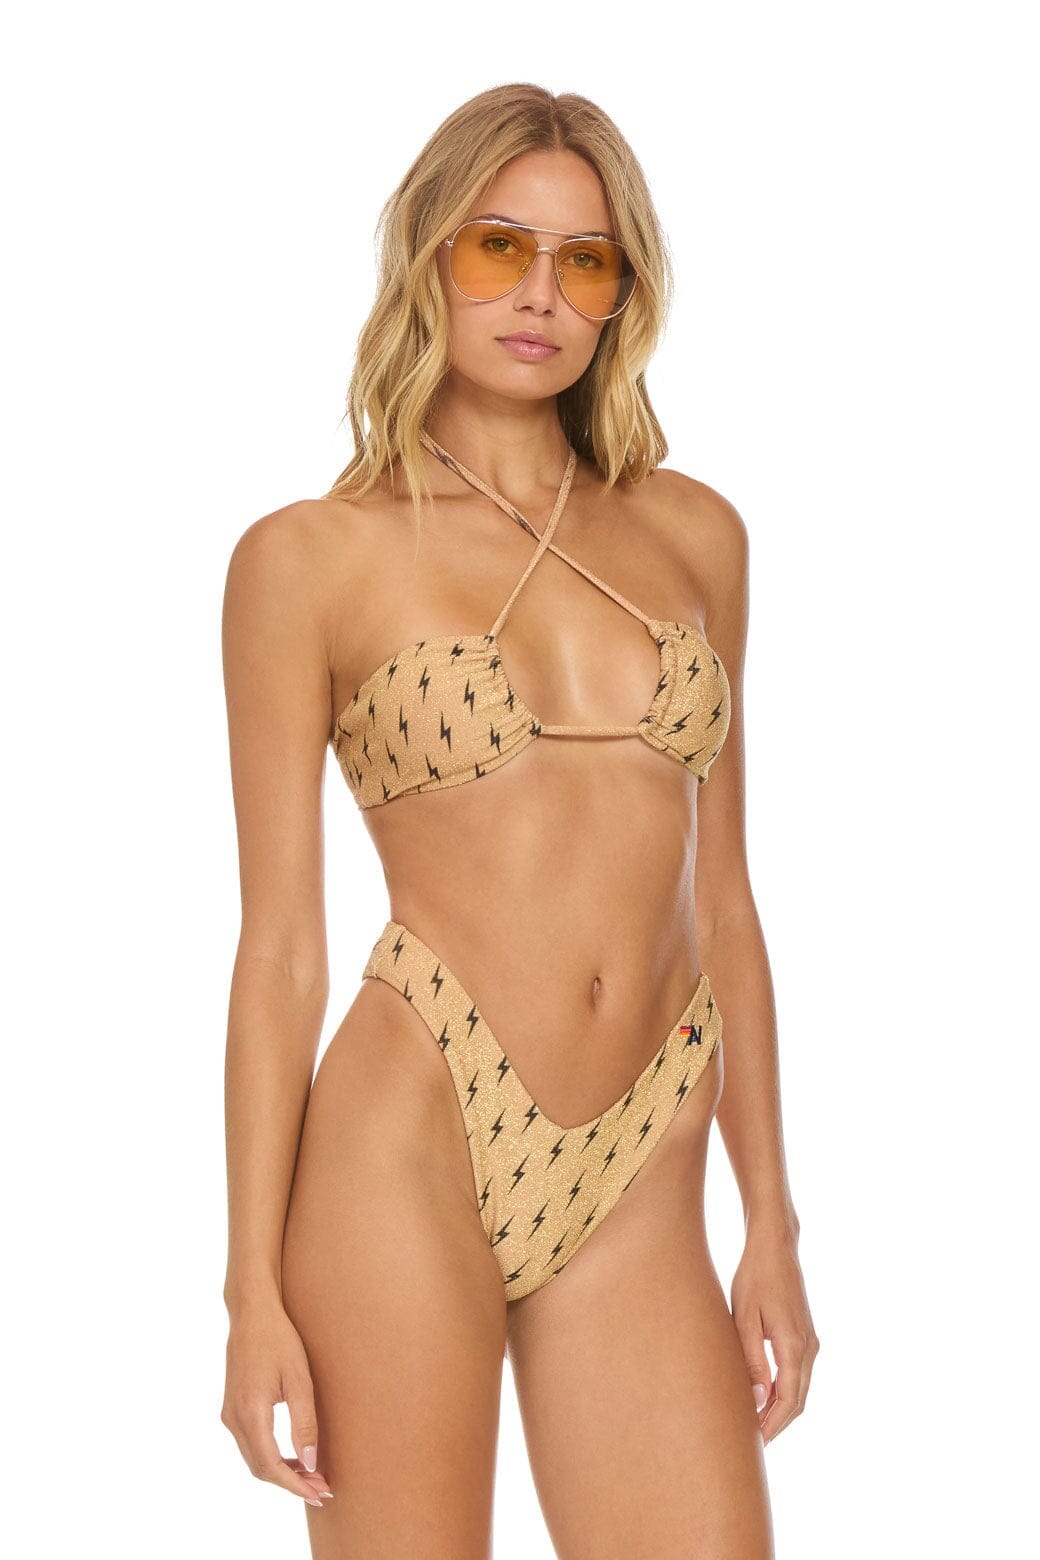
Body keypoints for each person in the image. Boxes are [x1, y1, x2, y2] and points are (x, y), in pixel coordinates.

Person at [220, 82, 818, 1560]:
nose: (540, 295)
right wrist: (250, 1294)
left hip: (647, 1152)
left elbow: (725, 900)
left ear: (623, 294)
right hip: (413, 1125)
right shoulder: (309, 560)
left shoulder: (695, 535)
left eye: (583, 260)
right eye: (500, 247)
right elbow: (280, 948)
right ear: (429, 257)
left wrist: (771, 1223)